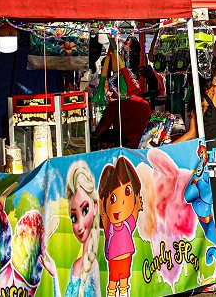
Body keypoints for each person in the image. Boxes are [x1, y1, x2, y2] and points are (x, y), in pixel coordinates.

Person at [99, 157, 142, 297]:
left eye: (127, 192)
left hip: (126, 258)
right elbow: (104, 217)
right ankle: (112, 294)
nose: (120, 205)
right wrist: (102, 209)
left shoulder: (127, 224)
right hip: (114, 259)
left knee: (124, 281)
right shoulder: (110, 226)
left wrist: (138, 205)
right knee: (112, 282)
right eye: (112, 199)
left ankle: (123, 293)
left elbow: (134, 214)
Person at [65, 161, 100, 297]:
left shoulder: (94, 265)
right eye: (74, 217)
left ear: (94, 207)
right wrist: (54, 274)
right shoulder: (75, 265)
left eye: (85, 210)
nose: (79, 227)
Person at [92, 72, 152, 149]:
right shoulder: (144, 103)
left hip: (122, 149)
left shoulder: (115, 105)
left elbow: (100, 131)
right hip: (142, 148)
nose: (110, 93)